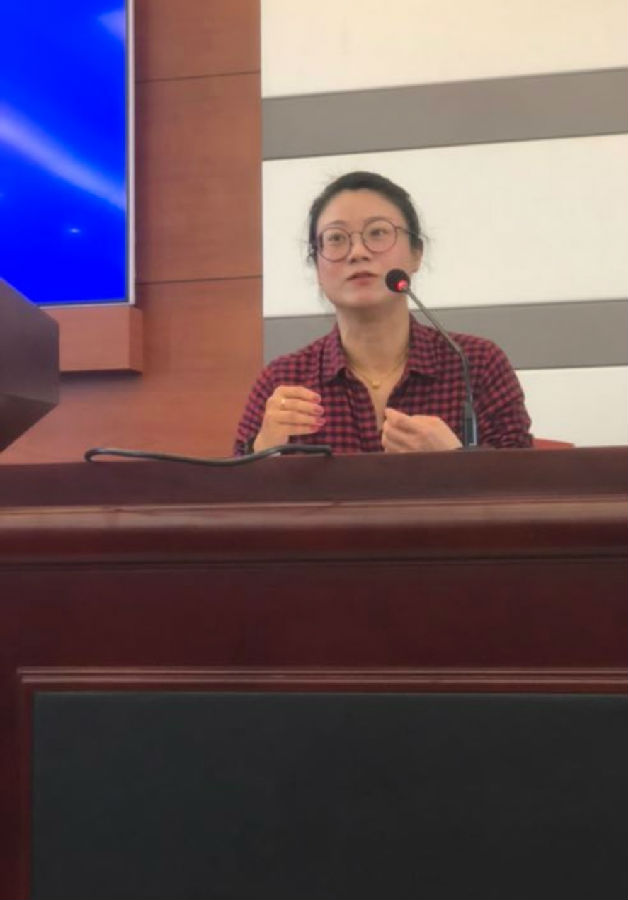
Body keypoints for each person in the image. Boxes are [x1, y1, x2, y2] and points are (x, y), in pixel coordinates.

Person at [234, 171, 532, 455]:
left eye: (377, 233)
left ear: (416, 254)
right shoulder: (284, 381)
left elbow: (526, 482)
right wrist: (264, 449)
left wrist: (455, 461)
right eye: (336, 238)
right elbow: (234, 487)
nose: (358, 253)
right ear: (317, 267)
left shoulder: (476, 366)